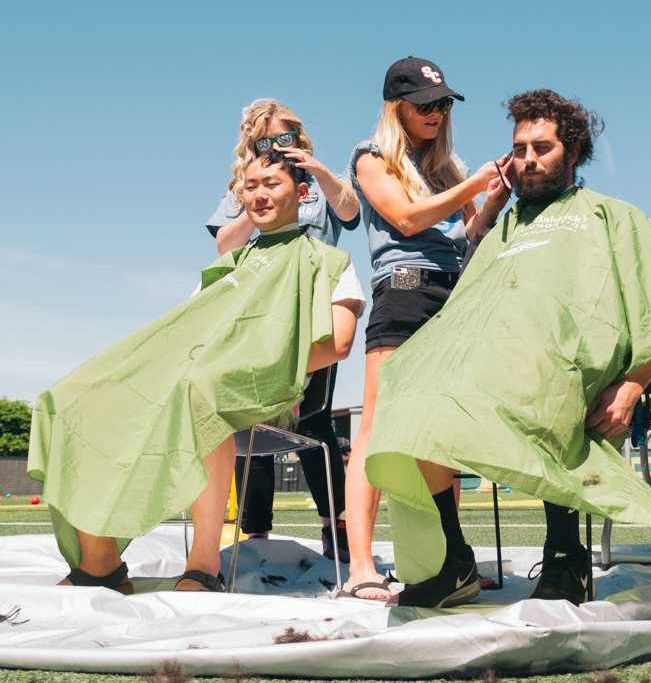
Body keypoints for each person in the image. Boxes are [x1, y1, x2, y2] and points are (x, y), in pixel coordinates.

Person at [364, 89, 651, 608]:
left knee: (542, 378)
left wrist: (634, 385)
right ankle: (455, 561)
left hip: (566, 362)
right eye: (520, 148)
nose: (528, 159)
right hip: (494, 359)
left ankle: (565, 557)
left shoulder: (611, 216)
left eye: (542, 148)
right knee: (410, 387)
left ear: (572, 152)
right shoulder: (503, 226)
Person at [29, 152, 365, 592]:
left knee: (204, 387)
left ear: (302, 193)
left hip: (268, 391)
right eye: (251, 185)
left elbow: (337, 344)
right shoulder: (226, 269)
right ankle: (101, 562)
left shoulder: (328, 261)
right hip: (193, 378)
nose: (259, 194)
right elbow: (183, 335)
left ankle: (204, 564)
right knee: (69, 397)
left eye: (272, 183)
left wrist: (246, 362)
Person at [340, 56, 509, 600]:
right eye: (425, 105)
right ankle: (362, 566)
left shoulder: (446, 166)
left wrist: (497, 194)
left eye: (442, 104)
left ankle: (449, 560)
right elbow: (408, 219)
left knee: (440, 431)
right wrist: (473, 184)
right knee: (376, 428)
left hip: (453, 292)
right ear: (397, 108)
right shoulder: (370, 157)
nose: (436, 113)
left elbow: (472, 234)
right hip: (406, 288)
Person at [206, 99, 360, 563]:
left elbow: (351, 215)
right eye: (263, 140)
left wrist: (315, 171)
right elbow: (222, 244)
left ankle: (338, 525)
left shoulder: (317, 179)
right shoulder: (246, 187)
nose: (274, 148)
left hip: (312, 298)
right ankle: (255, 533)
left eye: (283, 138)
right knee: (247, 416)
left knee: (314, 418)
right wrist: (260, 198)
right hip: (261, 305)